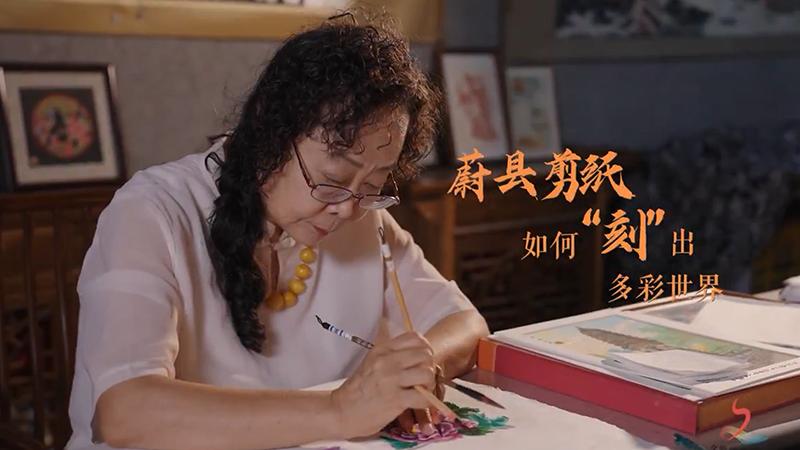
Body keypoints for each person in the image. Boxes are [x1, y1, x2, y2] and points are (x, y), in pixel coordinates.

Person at [66, 13, 489, 450]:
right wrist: (341, 410)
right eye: (331, 179)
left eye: (373, 185)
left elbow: (465, 324)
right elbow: (125, 411)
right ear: (271, 133)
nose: (347, 208)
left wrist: (414, 372)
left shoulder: (360, 215)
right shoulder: (152, 212)